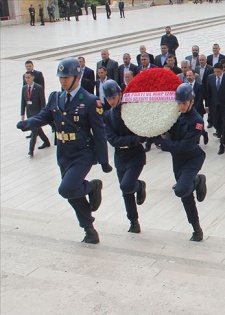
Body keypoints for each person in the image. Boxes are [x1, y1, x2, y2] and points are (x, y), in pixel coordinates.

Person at [16, 58, 111, 244]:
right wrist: (29, 123)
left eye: (67, 77)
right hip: (64, 154)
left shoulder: (90, 101)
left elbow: (99, 133)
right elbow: (44, 115)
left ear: (78, 76)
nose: (63, 81)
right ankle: (89, 230)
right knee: (72, 194)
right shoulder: (56, 97)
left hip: (82, 153)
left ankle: (92, 186)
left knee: (67, 188)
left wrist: (104, 160)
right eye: (61, 77)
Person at [152, 84, 207, 242]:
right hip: (178, 159)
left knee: (180, 189)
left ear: (191, 101)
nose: (181, 106)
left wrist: (162, 143)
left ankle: (197, 180)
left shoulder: (197, 121)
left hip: (192, 158)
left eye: (184, 103)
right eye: (179, 103)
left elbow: (184, 146)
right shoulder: (175, 115)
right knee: (185, 195)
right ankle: (197, 229)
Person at [102, 80, 147, 233]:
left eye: (113, 98)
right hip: (120, 156)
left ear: (120, 94)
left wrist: (134, 139)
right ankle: (133, 221)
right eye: (108, 99)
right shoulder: (107, 115)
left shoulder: (131, 110)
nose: (111, 101)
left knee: (126, 185)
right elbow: (112, 140)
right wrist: (133, 139)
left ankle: (139, 185)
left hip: (135, 155)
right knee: (125, 192)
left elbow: (141, 133)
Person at [21, 71, 50, 157]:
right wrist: (22, 113)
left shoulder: (38, 88)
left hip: (37, 113)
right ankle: (46, 142)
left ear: (33, 77)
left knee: (34, 131)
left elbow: (42, 101)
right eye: (25, 78)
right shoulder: (24, 88)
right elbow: (23, 101)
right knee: (38, 130)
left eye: (28, 77)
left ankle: (31, 150)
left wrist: (43, 113)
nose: (27, 79)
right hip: (30, 113)